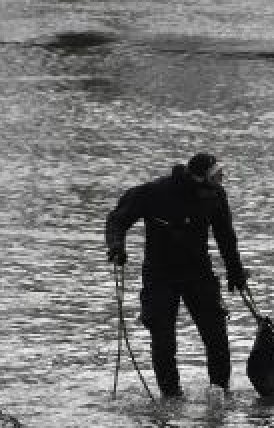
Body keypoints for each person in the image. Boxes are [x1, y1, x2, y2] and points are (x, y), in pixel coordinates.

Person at [105, 152, 247, 399]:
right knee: (163, 340)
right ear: (197, 179)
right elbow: (118, 219)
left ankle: (220, 393)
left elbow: (226, 236)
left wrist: (235, 271)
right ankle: (171, 398)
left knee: (216, 336)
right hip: (159, 275)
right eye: (215, 178)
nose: (220, 184)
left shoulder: (215, 196)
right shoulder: (153, 192)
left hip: (199, 272)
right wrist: (117, 245)